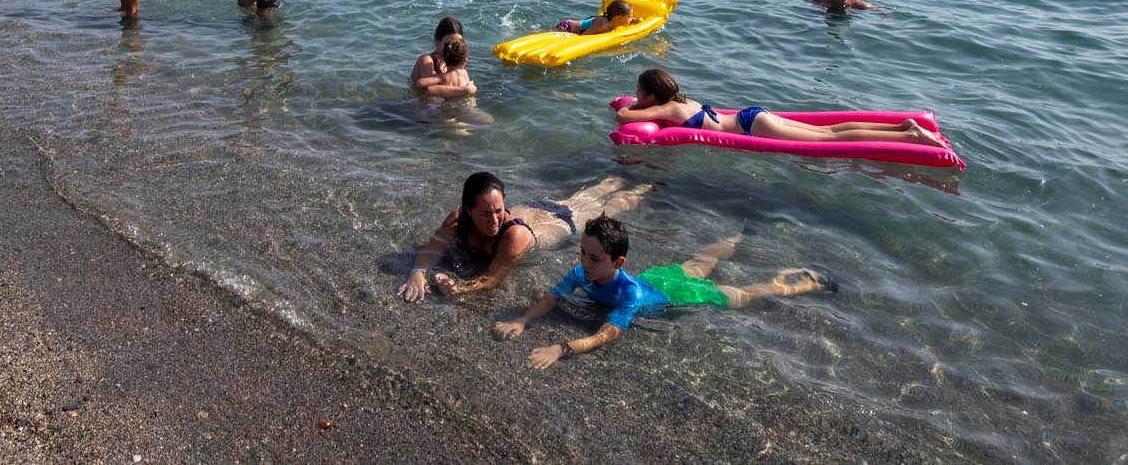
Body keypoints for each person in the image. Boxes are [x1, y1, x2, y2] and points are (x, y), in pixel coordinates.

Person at [492, 216, 836, 368]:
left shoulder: (628, 295)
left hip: (677, 296)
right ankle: (741, 237)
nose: (584, 262)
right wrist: (522, 320)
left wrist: (559, 348)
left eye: (593, 258)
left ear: (618, 262)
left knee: (743, 296)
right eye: (582, 253)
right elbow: (552, 297)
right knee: (700, 261)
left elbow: (604, 336)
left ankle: (805, 281)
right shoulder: (583, 272)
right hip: (657, 278)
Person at [396, 172, 654, 302]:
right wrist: (418, 272)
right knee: (584, 197)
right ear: (469, 209)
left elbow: (493, 278)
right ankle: (629, 176)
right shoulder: (458, 217)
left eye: (499, 210)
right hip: (536, 210)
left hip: (561, 221)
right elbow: (434, 247)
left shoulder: (513, 237)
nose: (494, 220)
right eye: (485, 213)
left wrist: (460, 288)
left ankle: (647, 184)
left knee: (610, 204)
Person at [617, 67, 947, 149]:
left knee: (830, 139)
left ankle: (910, 137)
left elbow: (624, 115)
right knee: (830, 130)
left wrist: (633, 105)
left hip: (753, 127)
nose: (635, 95)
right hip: (752, 115)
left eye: (639, 91)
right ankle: (902, 127)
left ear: (651, 97)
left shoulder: (665, 111)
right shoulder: (682, 101)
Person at [410, 16, 465, 90]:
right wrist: (465, 90)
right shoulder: (428, 61)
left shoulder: (455, 62)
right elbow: (427, 91)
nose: (454, 47)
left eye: (458, 43)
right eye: (449, 42)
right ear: (437, 40)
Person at [555, 0, 634, 36]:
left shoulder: (614, 22)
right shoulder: (602, 25)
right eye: (630, 16)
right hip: (567, 27)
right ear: (619, 18)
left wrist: (635, 20)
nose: (632, 18)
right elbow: (583, 36)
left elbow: (631, 20)